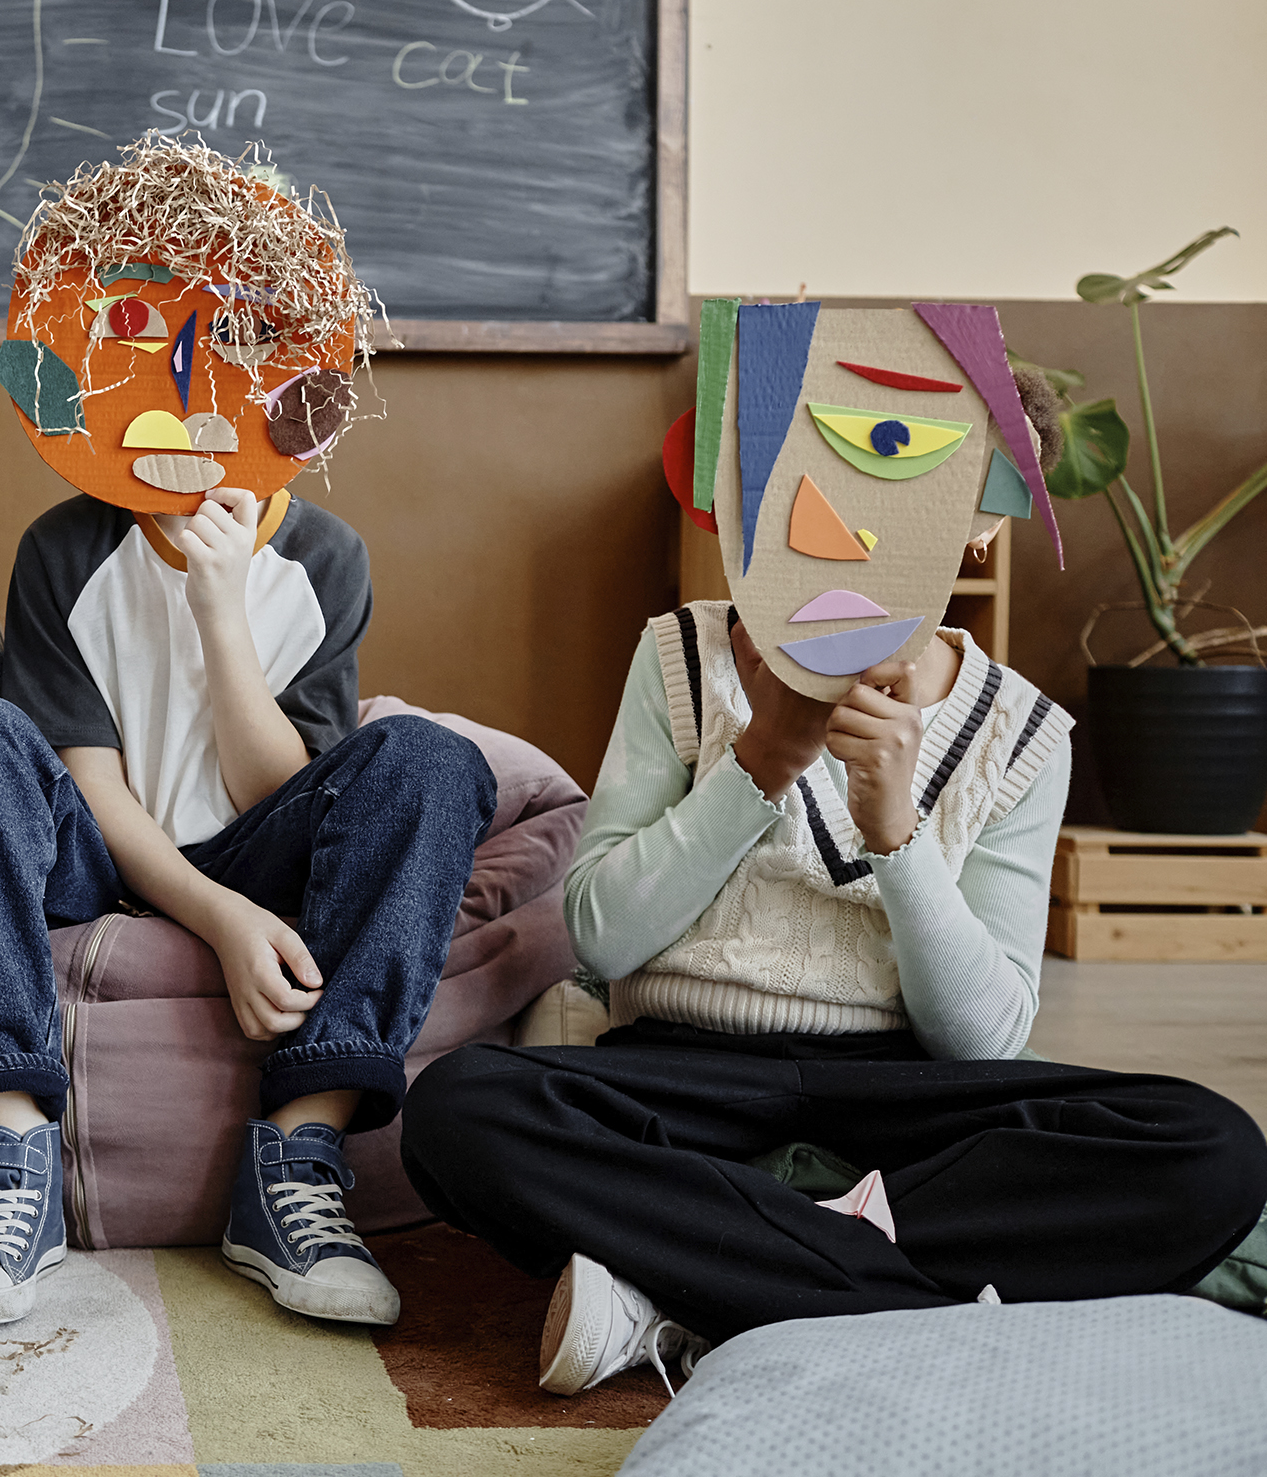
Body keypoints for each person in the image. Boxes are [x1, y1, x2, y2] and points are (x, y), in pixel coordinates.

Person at [398, 301, 1267, 1394]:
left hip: (903, 1092)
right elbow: (601, 940)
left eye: (900, 472)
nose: (838, 518)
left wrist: (898, 832)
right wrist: (759, 760)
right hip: (680, 1069)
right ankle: (865, 1283)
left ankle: (685, 1283)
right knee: (459, 1111)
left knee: (1211, 1148)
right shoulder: (682, 655)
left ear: (982, 519)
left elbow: (984, 1039)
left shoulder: (1019, 729)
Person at [0, 136, 496, 1330]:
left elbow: (280, 784)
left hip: (259, 840)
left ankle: (296, 1152)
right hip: (97, 849)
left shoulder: (325, 558)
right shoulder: (68, 545)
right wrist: (217, 919)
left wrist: (221, 610)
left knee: (434, 758)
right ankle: (10, 1151)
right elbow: (86, 781)